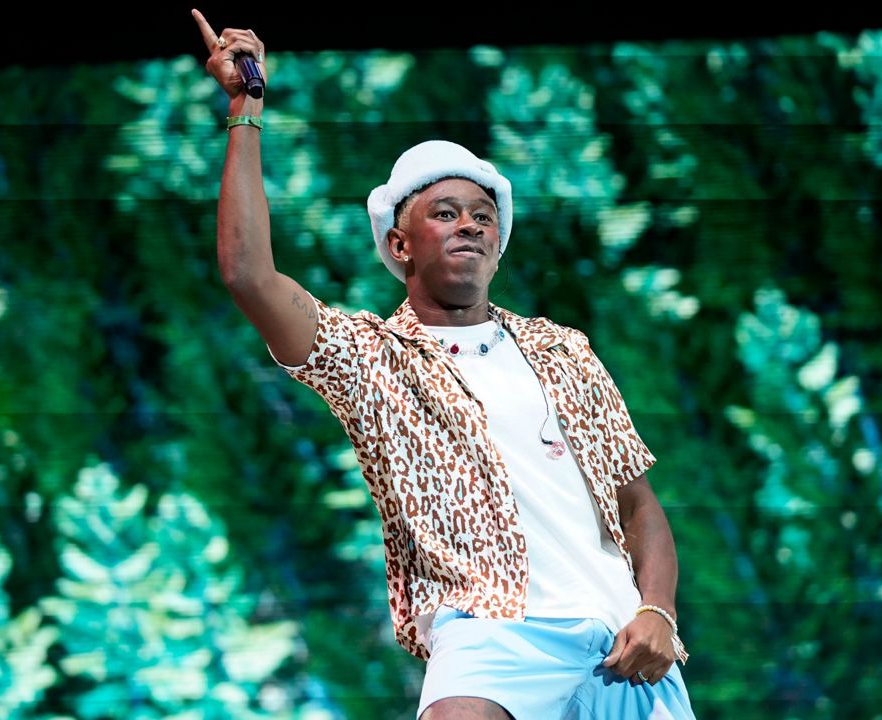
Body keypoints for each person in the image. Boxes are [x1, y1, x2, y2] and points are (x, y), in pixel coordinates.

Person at [192, 10, 697, 719]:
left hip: (621, 638)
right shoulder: (370, 358)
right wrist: (246, 110)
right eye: (446, 213)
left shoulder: (564, 348)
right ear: (400, 246)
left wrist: (659, 612)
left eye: (483, 217)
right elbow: (249, 275)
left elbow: (637, 505)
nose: (469, 224)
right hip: (491, 633)